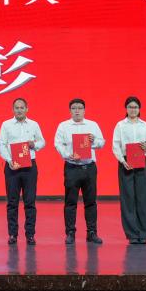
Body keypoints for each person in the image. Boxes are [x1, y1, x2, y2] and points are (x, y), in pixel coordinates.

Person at [54, 97, 106, 244]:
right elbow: (58, 144)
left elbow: (102, 143)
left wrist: (94, 140)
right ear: (70, 110)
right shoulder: (63, 126)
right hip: (72, 167)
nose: (77, 111)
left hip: (89, 167)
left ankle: (92, 232)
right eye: (74, 108)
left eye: (80, 108)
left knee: (91, 201)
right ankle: (70, 232)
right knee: (70, 202)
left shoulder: (92, 125)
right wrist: (67, 154)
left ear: (84, 110)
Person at [112, 96, 146, 244]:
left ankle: (144, 233)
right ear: (126, 109)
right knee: (127, 198)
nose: (133, 110)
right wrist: (122, 161)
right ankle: (132, 234)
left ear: (139, 109)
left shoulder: (144, 125)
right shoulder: (120, 125)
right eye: (130, 107)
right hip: (126, 162)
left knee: (142, 197)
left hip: (141, 161)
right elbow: (115, 145)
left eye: (135, 107)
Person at [0, 97, 46, 245]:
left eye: (22, 107)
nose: (19, 110)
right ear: (13, 110)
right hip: (12, 167)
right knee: (12, 202)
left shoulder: (34, 124)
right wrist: (9, 160)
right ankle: (12, 234)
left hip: (29, 167)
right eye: (16, 108)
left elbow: (42, 142)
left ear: (27, 109)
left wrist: (34, 144)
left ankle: (30, 234)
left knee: (30, 202)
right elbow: (1, 145)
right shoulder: (6, 125)